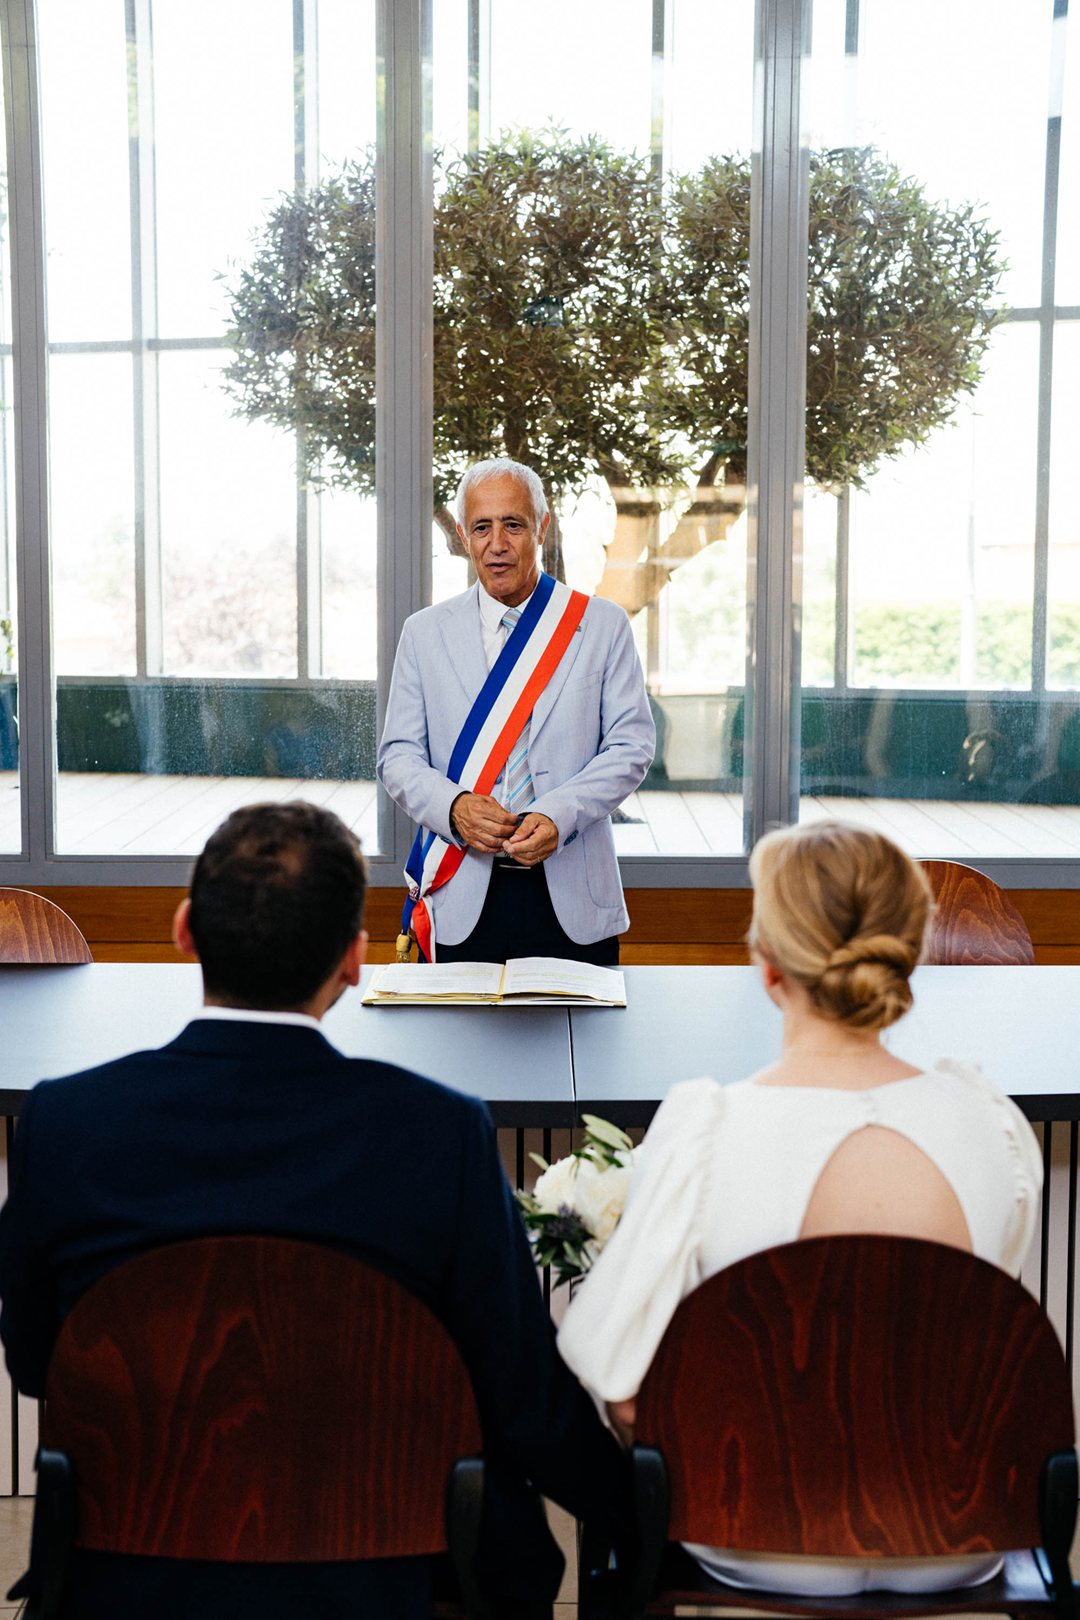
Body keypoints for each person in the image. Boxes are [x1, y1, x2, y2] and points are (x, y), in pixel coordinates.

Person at [0, 802, 631, 1620]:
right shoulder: (439, 1135)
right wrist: (641, 1506)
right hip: (403, 1581)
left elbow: (36, 1359)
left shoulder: (65, 1124)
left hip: (131, 1576)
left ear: (185, 930)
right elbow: (524, 1401)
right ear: (356, 960)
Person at [558, 819, 1042, 1599]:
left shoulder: (706, 1130)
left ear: (768, 967)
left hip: (753, 1533)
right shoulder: (991, 1124)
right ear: (909, 952)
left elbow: (617, 1381)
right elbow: (982, 1327)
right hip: (959, 1531)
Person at [378, 457, 654, 965]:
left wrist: (558, 813)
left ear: (542, 528)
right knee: (459, 1046)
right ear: (463, 534)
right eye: (482, 526)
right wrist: (455, 808)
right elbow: (398, 757)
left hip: (572, 892)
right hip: (458, 893)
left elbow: (631, 747)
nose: (497, 543)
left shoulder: (602, 625)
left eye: (514, 525)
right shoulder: (423, 632)